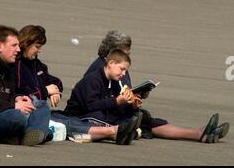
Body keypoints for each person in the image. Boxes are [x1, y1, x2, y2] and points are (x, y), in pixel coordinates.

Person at [83, 47, 230, 144]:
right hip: (96, 117)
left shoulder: (117, 71)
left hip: (113, 111)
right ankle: (125, 132)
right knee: (141, 119)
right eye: (124, 53)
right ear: (111, 58)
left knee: (145, 118)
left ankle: (199, 133)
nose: (124, 71)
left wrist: (133, 100)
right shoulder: (97, 74)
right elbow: (93, 105)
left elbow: (117, 97)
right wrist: (120, 101)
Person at [12, 24, 63, 140]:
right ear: (26, 44)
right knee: (41, 104)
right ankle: (32, 132)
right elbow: (21, 89)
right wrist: (45, 91)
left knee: (48, 133)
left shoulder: (38, 65)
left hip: (35, 110)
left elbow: (56, 81)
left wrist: (55, 92)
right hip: (22, 107)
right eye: (37, 47)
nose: (39, 50)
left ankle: (33, 133)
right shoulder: (16, 64)